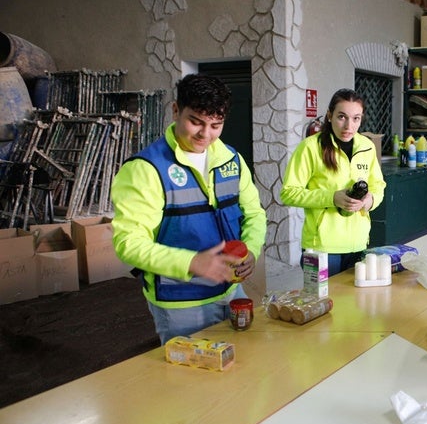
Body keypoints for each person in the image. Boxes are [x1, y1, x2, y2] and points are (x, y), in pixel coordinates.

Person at [111, 73, 267, 344]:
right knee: (191, 382)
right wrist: (193, 262)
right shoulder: (145, 169)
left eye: (216, 125)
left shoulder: (232, 159)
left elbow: (254, 213)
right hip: (181, 304)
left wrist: (251, 249)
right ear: (175, 110)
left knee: (243, 371)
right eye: (195, 122)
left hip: (231, 291)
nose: (205, 135)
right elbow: (129, 243)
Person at [280, 88, 386, 275]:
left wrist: (370, 201)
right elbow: (289, 193)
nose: (349, 126)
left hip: (358, 243)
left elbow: (378, 185)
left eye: (356, 118)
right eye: (341, 117)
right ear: (329, 116)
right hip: (321, 247)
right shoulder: (310, 147)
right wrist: (332, 198)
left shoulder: (367, 147)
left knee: (356, 304)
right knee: (321, 303)